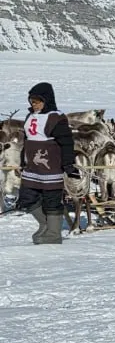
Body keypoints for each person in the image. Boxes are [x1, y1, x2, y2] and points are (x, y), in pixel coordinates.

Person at [17, 82, 77, 245]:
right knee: (26, 197)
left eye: (37, 101)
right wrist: (22, 161)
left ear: (47, 100)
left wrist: (68, 164)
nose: (33, 105)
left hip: (51, 167)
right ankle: (45, 223)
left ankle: (53, 233)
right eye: (31, 101)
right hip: (31, 167)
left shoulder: (56, 118)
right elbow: (27, 141)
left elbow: (66, 143)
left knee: (52, 200)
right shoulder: (30, 117)